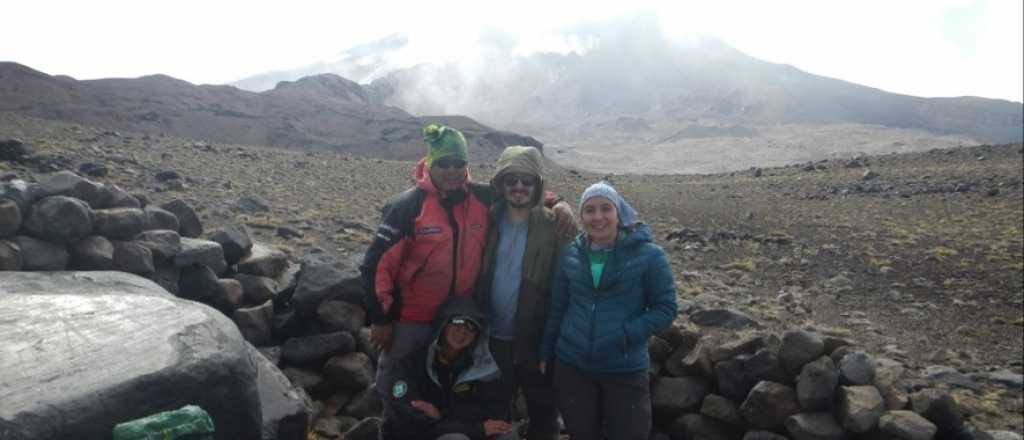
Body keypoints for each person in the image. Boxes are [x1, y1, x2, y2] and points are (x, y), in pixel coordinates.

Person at [361, 124, 574, 407]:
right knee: (399, 388)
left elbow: (523, 188)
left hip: (459, 321)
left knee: (445, 390)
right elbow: (376, 264)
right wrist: (380, 318)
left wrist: (559, 203)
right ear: (429, 163)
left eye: (458, 163)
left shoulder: (481, 197)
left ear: (466, 165)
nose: (452, 170)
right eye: (444, 163)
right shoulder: (407, 206)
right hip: (411, 321)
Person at [538, 181, 678, 440]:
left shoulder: (649, 256)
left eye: (605, 208)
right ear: (581, 217)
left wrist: (628, 333)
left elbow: (666, 308)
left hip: (623, 369)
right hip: (573, 366)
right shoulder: (571, 254)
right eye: (589, 210)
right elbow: (558, 308)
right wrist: (547, 351)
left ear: (618, 213)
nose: (598, 217)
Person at [474, 146, 567, 440]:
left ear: (537, 185)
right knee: (494, 408)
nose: (518, 187)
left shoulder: (555, 224)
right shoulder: (487, 218)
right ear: (500, 184)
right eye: (511, 180)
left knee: (543, 410)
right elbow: (449, 186)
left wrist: (552, 341)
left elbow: (565, 286)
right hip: (493, 337)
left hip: (536, 339)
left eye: (526, 181)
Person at [381, 295, 518, 440]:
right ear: (442, 324)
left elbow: (497, 414)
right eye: (457, 322)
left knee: (507, 435)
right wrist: (474, 427)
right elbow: (408, 419)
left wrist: (442, 415)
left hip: (463, 430)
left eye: (471, 326)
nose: (462, 331)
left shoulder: (482, 368)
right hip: (422, 436)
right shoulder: (410, 365)